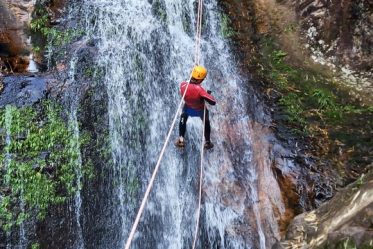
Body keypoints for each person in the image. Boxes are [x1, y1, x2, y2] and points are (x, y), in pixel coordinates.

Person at [175, 65, 216, 149]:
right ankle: (207, 142)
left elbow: (188, 83)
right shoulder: (200, 90)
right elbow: (213, 102)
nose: (203, 80)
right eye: (203, 79)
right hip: (199, 110)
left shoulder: (183, 85)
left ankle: (181, 139)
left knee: (183, 117)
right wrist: (207, 94)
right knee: (206, 122)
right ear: (200, 79)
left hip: (188, 109)